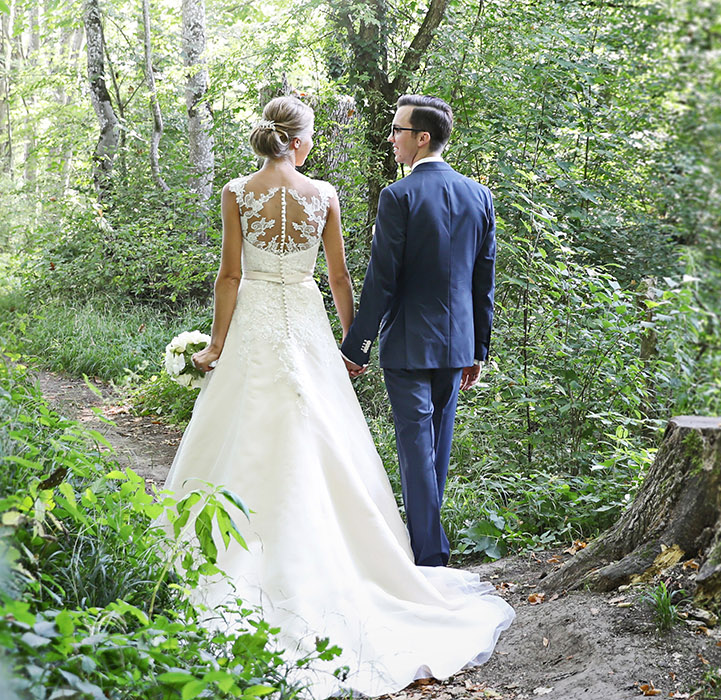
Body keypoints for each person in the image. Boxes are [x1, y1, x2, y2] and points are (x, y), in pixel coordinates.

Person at [161, 94, 511, 698]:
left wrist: (219, 345)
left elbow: (232, 274)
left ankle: (235, 550)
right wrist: (359, 342)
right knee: (359, 437)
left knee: (253, 426)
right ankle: (418, 555)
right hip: (337, 326)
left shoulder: (239, 191)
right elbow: (347, 275)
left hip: (260, 329)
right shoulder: (331, 193)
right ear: (300, 140)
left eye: (400, 130)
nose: (393, 137)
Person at [339, 94, 497, 570]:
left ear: (421, 137)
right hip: (458, 344)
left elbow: (381, 278)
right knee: (435, 448)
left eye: (397, 130)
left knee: (416, 450)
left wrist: (357, 346)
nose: (391, 139)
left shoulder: (398, 195)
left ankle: (429, 556)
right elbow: (482, 281)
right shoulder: (479, 195)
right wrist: (480, 348)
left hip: (408, 343)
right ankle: (428, 545)